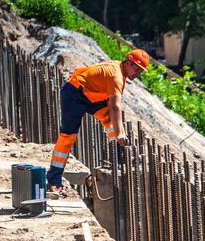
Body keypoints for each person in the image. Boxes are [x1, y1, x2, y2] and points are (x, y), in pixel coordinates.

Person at [46, 49, 149, 194]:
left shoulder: (120, 71)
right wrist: (120, 134)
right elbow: (115, 106)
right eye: (136, 69)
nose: (137, 74)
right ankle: (53, 180)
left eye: (140, 71)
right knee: (68, 136)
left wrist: (119, 132)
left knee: (111, 122)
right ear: (127, 62)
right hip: (74, 94)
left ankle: (120, 160)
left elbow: (113, 108)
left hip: (92, 96)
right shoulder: (116, 76)